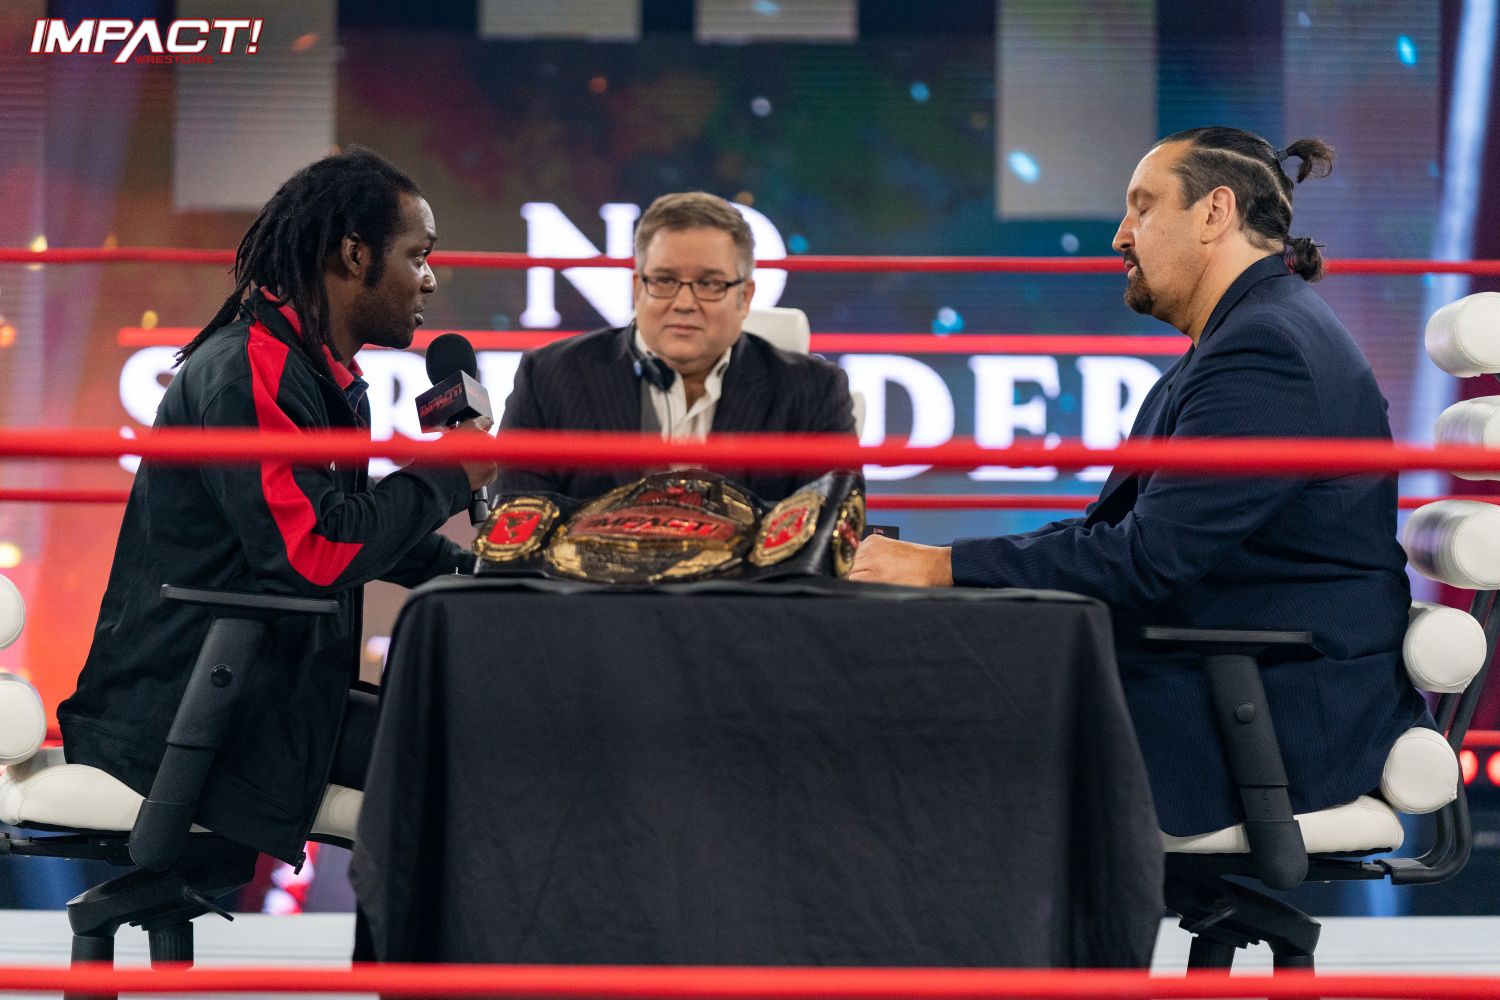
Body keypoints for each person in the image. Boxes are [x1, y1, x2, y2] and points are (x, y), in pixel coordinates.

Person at [849, 127, 1429, 837]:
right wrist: (942, 567)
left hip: (1265, 711)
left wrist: (940, 568)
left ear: (1215, 212)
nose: (1120, 236)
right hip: (1225, 669)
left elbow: (1146, 561)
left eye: (1143, 207)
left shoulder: (1264, 349)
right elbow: (1121, 536)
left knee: (924, 712)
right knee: (938, 679)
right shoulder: (1244, 335)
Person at [57, 148, 496, 866]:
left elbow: (344, 518)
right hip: (181, 720)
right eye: (418, 256)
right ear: (355, 255)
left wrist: (476, 568)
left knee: (483, 743)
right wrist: (446, 475)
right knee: (473, 761)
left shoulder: (316, 373)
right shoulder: (251, 370)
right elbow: (315, 552)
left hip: (254, 698)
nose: (430, 278)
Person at [495, 191, 855, 503]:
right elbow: (515, 526)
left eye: (709, 283)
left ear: (745, 297)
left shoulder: (815, 390)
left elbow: (828, 532)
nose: (684, 303)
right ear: (638, 289)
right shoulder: (548, 377)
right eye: (665, 280)